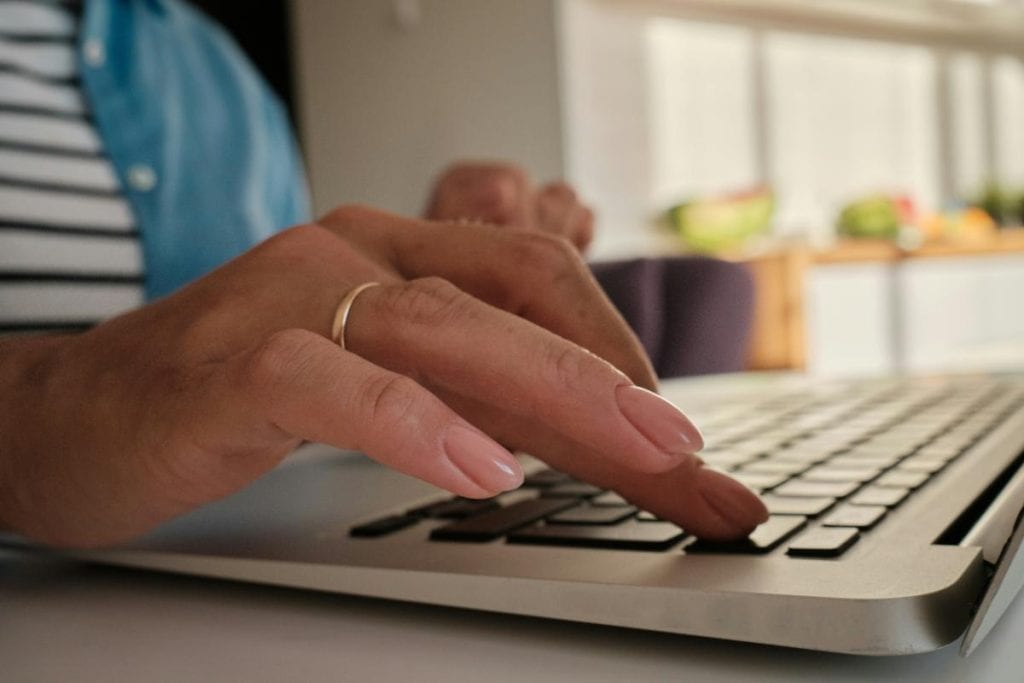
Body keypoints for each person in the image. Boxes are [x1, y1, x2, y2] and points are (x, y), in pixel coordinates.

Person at [0, 0, 768, 548]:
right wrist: (38, 416)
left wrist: (415, 317)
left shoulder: (216, 71)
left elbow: (250, 359)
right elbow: (140, 382)